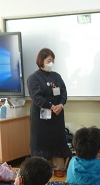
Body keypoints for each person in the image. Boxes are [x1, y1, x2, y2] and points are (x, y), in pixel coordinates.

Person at [27, 48, 71, 177]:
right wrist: (51, 106)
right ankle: (42, 170)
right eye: (49, 60)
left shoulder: (56, 76)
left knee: (58, 140)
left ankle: (59, 168)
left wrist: (61, 104)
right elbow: (36, 97)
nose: (51, 63)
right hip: (41, 118)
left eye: (53, 60)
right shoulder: (33, 78)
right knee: (42, 142)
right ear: (41, 61)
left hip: (57, 116)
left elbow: (63, 92)